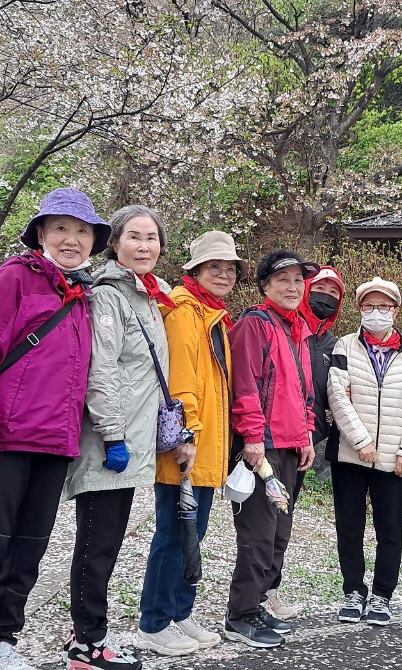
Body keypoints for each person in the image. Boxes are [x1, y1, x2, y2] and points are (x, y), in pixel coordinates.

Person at [0, 188, 109, 670]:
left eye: (82, 231)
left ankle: (2, 641)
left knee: (28, 550)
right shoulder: (14, 280)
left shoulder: (81, 297)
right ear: (41, 234)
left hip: (55, 445)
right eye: (61, 228)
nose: (72, 239)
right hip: (1, 440)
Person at [62, 205, 173, 670]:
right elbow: (100, 369)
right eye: (134, 237)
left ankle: (87, 635)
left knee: (105, 540)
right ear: (116, 244)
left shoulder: (151, 296)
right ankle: (87, 646)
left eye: (152, 238)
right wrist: (112, 436)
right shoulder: (109, 296)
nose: (144, 246)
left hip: (134, 438)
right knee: (97, 543)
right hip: (112, 441)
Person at [133, 231, 248, 656]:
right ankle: (155, 621)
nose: (223, 274)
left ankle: (181, 612)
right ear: (194, 271)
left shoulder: (212, 314)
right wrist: (188, 434)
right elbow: (181, 381)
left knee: (190, 534)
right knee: (172, 534)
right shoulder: (185, 312)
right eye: (213, 267)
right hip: (188, 445)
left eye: (229, 269)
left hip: (205, 448)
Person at [222, 250, 319, 648]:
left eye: (299, 280)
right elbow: (244, 386)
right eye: (283, 280)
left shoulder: (298, 329)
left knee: (279, 533)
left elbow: (304, 391)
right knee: (258, 535)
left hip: (290, 446)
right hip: (262, 447)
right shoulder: (254, 325)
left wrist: (307, 435)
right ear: (265, 286)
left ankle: (259, 602)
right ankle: (240, 614)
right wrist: (251, 438)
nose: (293, 287)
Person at [326, 277, 402, 626]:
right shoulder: (345, 346)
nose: (377, 313)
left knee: (390, 531)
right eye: (369, 306)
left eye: (384, 306)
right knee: (349, 527)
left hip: (393, 460)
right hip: (351, 457)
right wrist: (361, 441)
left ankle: (383, 596)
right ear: (360, 309)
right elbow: (338, 395)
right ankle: (354, 591)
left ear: (396, 310)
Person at [261, 263, 345, 621]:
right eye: (320, 290)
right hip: (269, 442)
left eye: (333, 295)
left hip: (305, 444)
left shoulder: (332, 343)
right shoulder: (284, 327)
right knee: (263, 519)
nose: (324, 298)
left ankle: (271, 590)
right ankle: (254, 595)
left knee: (284, 517)